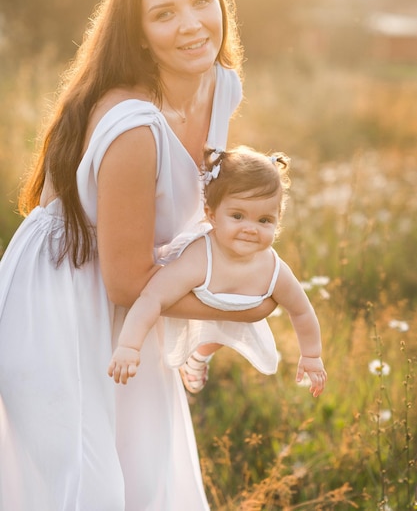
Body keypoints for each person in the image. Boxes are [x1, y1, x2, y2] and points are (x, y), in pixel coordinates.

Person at [0, 0, 278, 511]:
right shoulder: (133, 127)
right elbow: (125, 281)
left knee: (147, 471)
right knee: (90, 484)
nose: (192, 25)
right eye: (164, 13)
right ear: (139, 32)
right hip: (62, 297)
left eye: (201, 1)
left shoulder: (221, 84)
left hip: (134, 293)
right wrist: (240, 306)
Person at [108, 146, 327, 399]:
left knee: (224, 331)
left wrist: (311, 355)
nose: (251, 229)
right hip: (193, 300)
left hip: (236, 309)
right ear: (212, 215)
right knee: (168, 347)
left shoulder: (274, 270)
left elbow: (301, 310)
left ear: (278, 220)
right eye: (237, 216)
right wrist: (128, 346)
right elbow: (152, 297)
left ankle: (200, 356)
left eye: (264, 220)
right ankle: (189, 358)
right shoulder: (199, 259)